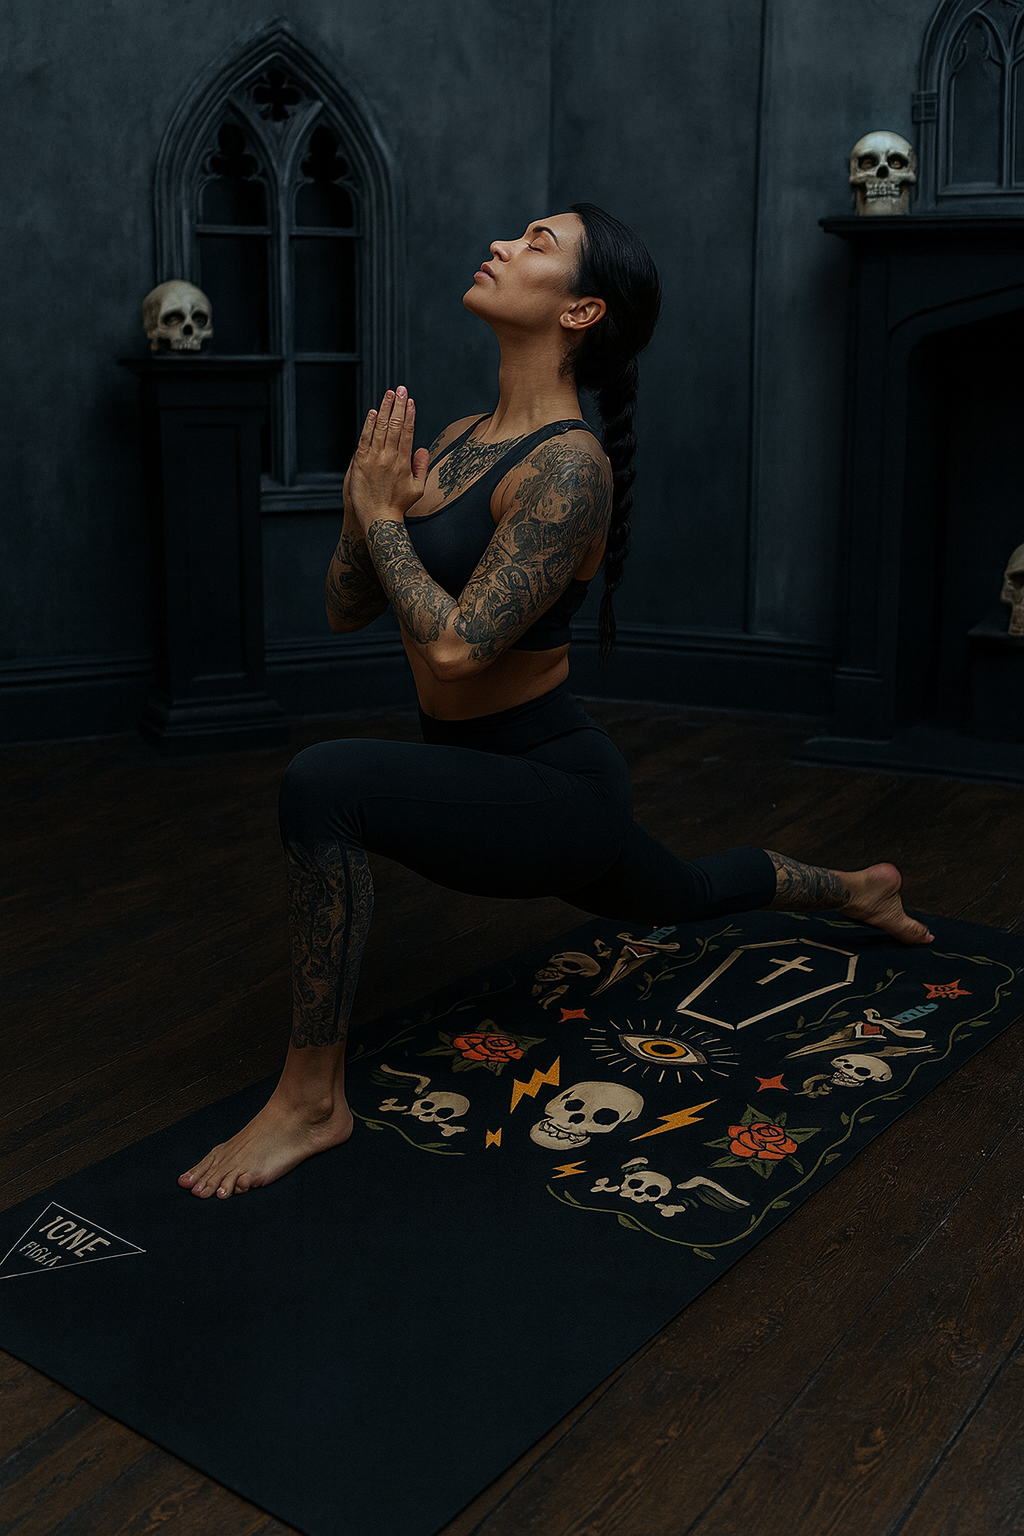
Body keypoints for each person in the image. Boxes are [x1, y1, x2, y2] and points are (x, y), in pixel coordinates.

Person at [178, 204, 932, 1201]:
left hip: (549, 788)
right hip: (475, 782)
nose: (499, 242)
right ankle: (853, 887)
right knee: (684, 894)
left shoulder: (570, 470)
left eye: (536, 242)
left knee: (322, 784)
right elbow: (342, 610)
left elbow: (452, 652)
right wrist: (366, 514)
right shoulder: (452, 439)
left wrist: (380, 520)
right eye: (514, 233)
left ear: (581, 310)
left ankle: (313, 1099)